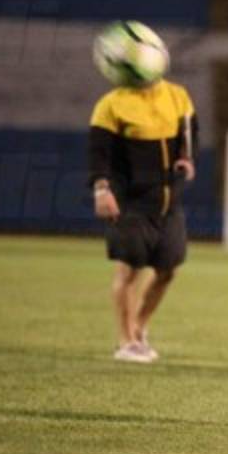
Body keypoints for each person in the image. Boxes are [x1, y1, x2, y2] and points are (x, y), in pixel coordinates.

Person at [88, 71, 197, 363]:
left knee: (168, 270)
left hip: (168, 203)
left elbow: (189, 131)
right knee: (130, 270)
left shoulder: (176, 95)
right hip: (130, 202)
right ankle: (126, 342)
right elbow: (98, 153)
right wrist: (101, 189)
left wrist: (187, 157)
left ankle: (138, 328)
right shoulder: (111, 104)